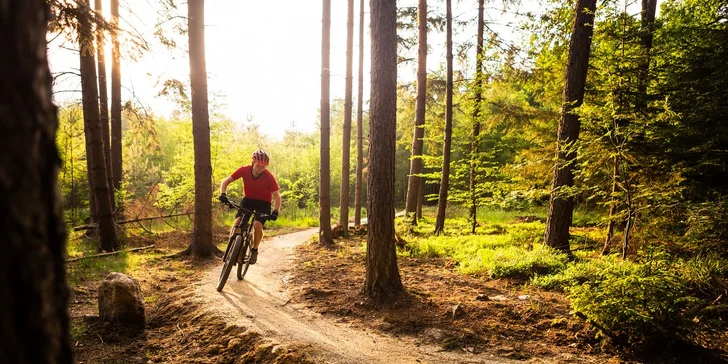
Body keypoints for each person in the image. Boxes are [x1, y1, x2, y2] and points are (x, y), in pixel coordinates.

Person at [218, 149, 281, 264]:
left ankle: (254, 249)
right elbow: (225, 181)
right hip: (248, 200)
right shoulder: (244, 170)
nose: (260, 168)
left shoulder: (268, 177)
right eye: (258, 165)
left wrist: (275, 211)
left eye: (263, 166)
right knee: (238, 222)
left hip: (264, 203)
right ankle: (231, 248)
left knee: (257, 225)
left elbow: (277, 196)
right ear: (253, 162)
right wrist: (223, 194)